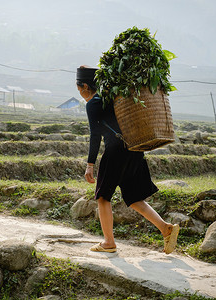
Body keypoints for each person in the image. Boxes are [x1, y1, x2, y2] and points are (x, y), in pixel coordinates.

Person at [76, 65, 179, 254]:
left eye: (78, 88)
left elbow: (95, 135)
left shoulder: (93, 103)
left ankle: (108, 242)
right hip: (134, 148)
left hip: (116, 151)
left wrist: (90, 165)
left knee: (102, 196)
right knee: (133, 198)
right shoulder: (114, 97)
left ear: (84, 86)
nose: (80, 92)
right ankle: (166, 228)